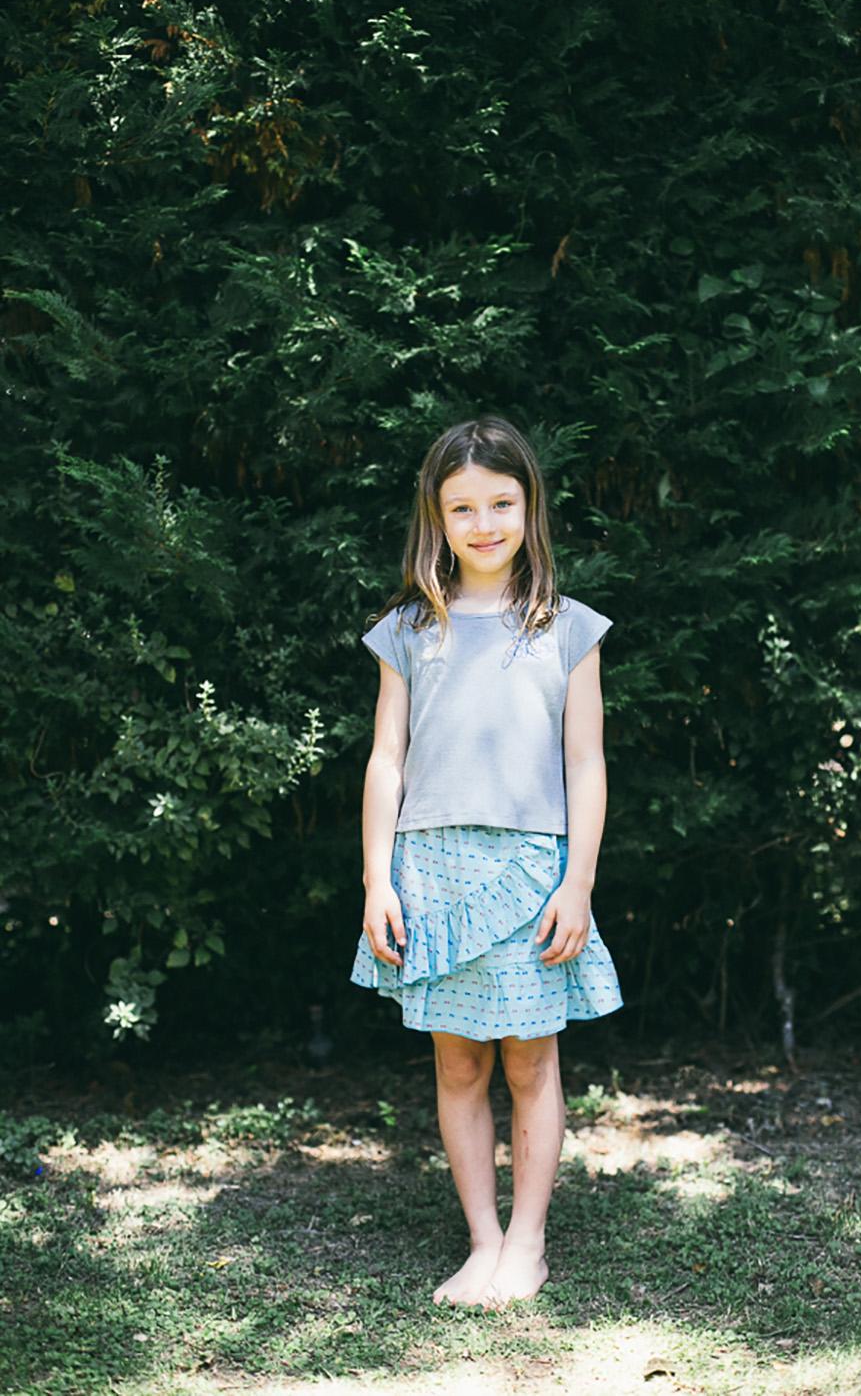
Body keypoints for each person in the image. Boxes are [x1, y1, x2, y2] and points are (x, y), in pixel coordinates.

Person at [349, 413, 623, 1308]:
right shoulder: (408, 628)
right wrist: (377, 878)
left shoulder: (566, 626)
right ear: (437, 515)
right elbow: (387, 757)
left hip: (532, 875)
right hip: (430, 870)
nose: (484, 523)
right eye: (462, 506)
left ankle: (529, 1243)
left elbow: (586, 762)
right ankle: (483, 1240)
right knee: (458, 1065)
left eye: (501, 502)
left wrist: (577, 880)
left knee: (531, 1062)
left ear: (529, 506)